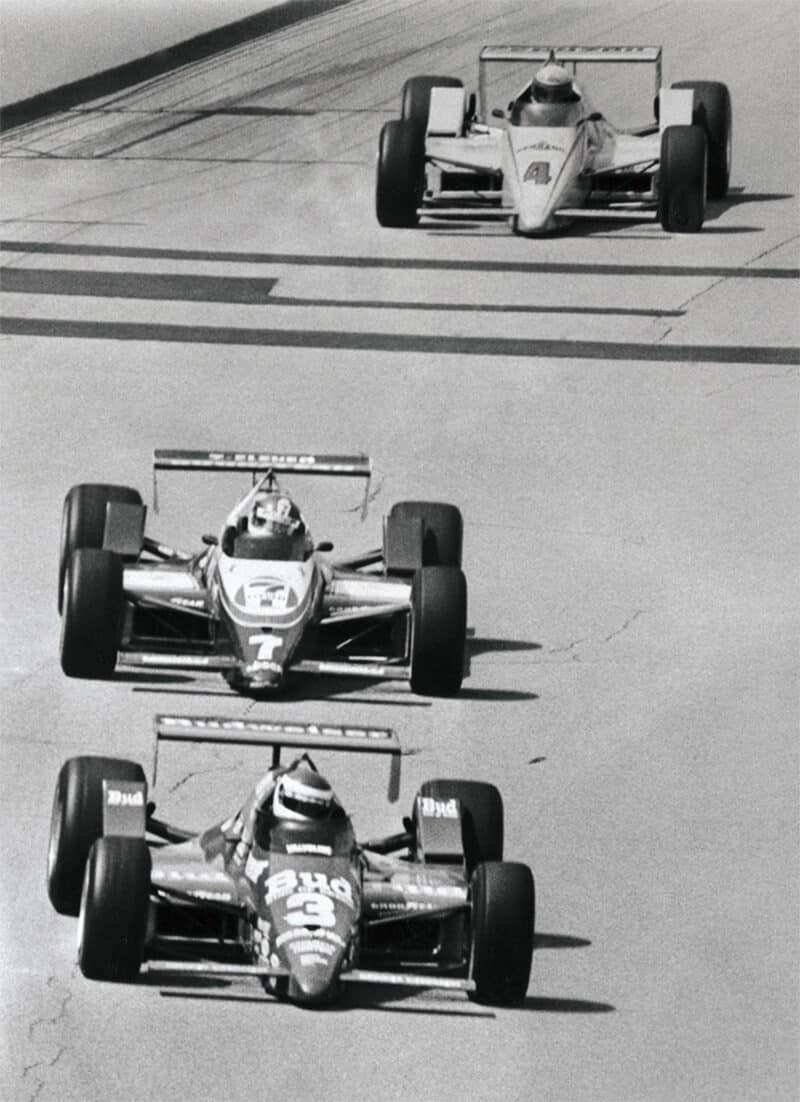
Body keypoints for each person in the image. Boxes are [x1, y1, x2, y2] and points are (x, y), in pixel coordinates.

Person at [231, 490, 311, 560]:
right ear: (257, 521)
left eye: (284, 527)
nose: (278, 530)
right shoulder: (237, 548)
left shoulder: (296, 554)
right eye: (273, 524)